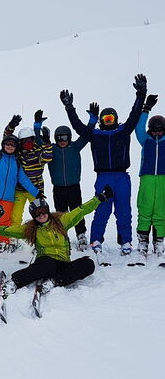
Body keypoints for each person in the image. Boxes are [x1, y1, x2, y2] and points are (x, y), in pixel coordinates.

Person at [60, 74, 147, 256]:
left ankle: (126, 241)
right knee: (102, 209)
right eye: (106, 119)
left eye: (111, 119)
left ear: (116, 119)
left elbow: (134, 115)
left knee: (124, 211)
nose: (109, 121)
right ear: (101, 121)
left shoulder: (123, 131)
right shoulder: (95, 135)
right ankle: (96, 239)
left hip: (122, 177)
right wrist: (69, 107)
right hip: (103, 177)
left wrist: (141, 94)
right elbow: (77, 126)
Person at [0, 186, 113, 297]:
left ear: (47, 211)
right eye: (37, 213)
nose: (41, 215)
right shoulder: (31, 229)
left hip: (63, 263)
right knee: (46, 263)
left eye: (43, 211)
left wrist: (98, 199)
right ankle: (15, 282)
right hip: (45, 262)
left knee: (88, 264)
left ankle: (54, 281)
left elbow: (81, 210)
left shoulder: (61, 221)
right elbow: (8, 230)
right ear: (33, 216)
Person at [0, 121, 41, 253]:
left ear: (16, 147)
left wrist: (36, 193)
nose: (10, 146)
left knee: (4, 221)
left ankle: (3, 242)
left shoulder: (17, 162)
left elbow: (24, 179)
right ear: (3, 145)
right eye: (7, 144)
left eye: (13, 144)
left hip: (8, 197)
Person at [48, 106, 96, 251]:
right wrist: (37, 127)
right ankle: (62, 234)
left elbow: (86, 135)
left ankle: (81, 234)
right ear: (55, 139)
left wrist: (92, 121)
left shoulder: (75, 147)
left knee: (77, 211)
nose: (62, 141)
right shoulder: (52, 149)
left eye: (65, 138)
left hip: (74, 186)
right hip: (58, 187)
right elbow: (39, 143)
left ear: (69, 138)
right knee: (61, 213)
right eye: (59, 138)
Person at [2, 111, 53, 229]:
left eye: (30, 140)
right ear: (20, 142)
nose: (28, 143)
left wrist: (46, 142)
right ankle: (14, 235)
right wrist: (11, 126)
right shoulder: (17, 153)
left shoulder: (38, 151)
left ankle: (43, 234)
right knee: (15, 216)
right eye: (25, 141)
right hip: (19, 190)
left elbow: (48, 158)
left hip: (36, 190)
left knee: (40, 214)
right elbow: (7, 139)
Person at [134, 94, 165, 259]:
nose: (157, 133)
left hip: (163, 179)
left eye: (160, 130)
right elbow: (138, 128)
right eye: (154, 130)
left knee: (161, 209)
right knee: (145, 208)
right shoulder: (145, 139)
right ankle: (143, 241)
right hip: (147, 178)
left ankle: (159, 241)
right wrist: (146, 109)